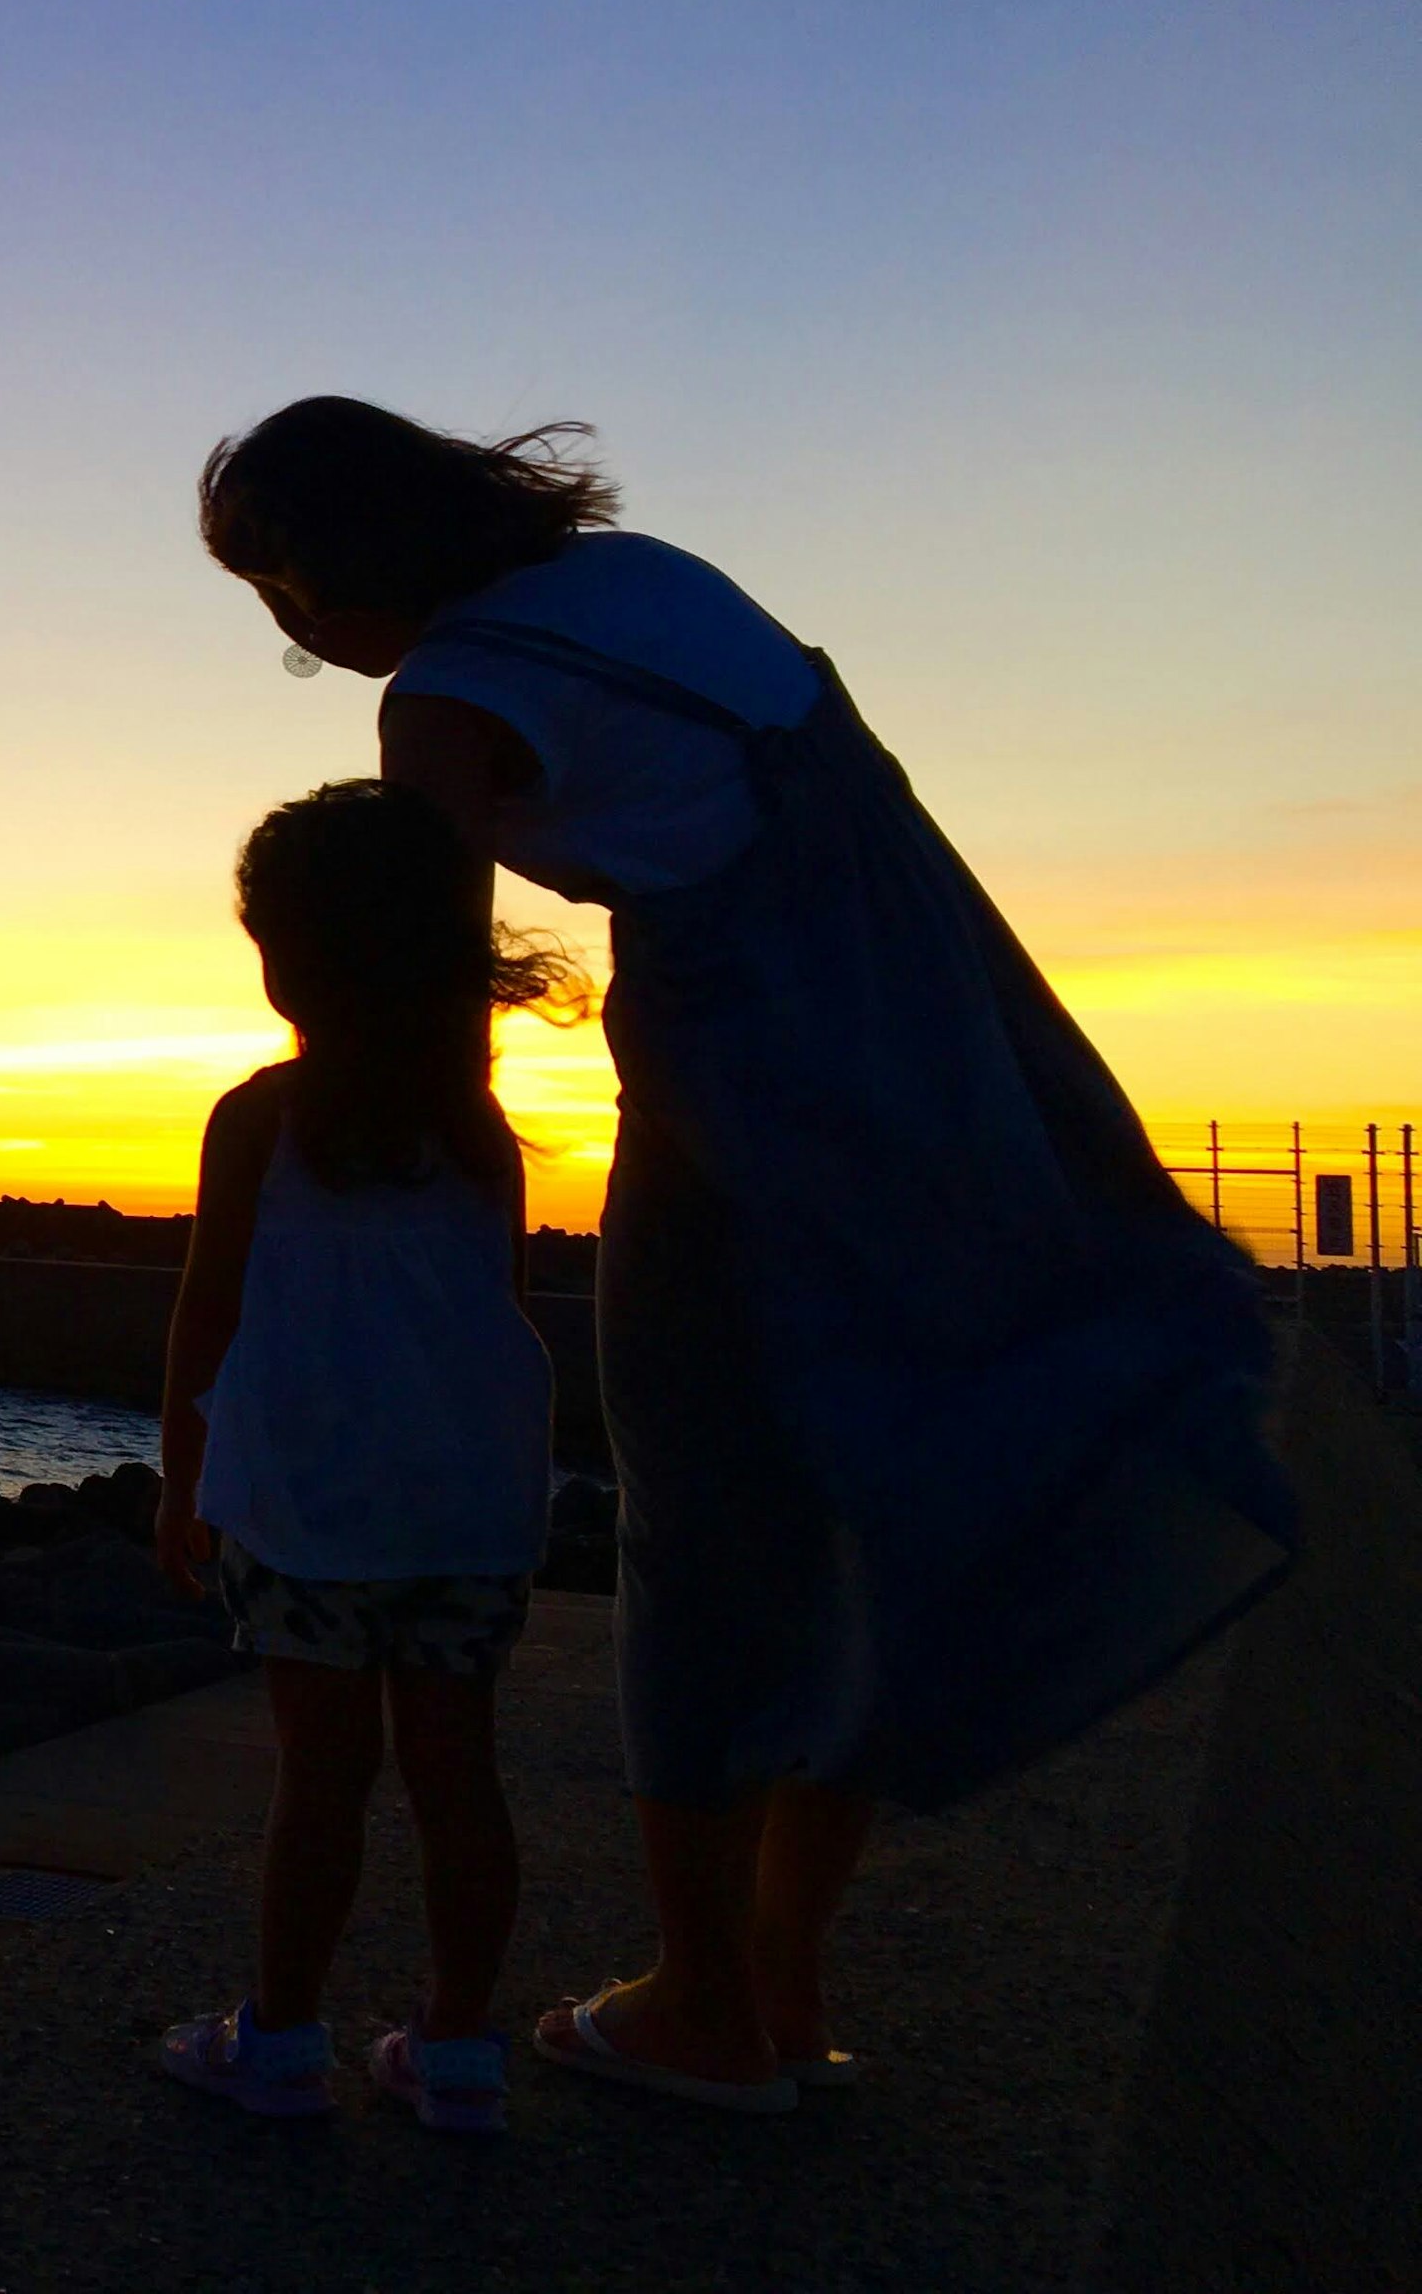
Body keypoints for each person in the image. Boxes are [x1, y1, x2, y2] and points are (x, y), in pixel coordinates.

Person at [196, 396, 1296, 2111]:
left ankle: (708, 2004)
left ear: (349, 555)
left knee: (704, 1500)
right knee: (859, 1460)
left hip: (750, 1055)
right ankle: (779, 1994)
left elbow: (422, 994)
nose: (291, 633)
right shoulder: (640, 577)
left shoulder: (445, 698)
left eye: (282, 586)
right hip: (930, 1009)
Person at [153, 780, 576, 2136]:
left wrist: (181, 1478)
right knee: (462, 1777)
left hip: (309, 1503)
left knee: (319, 1782)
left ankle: (278, 2040)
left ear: (307, 955)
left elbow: (207, 1313)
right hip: (467, 1502)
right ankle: (457, 2054)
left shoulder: (260, 1121)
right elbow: (489, 1310)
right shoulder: (479, 1135)